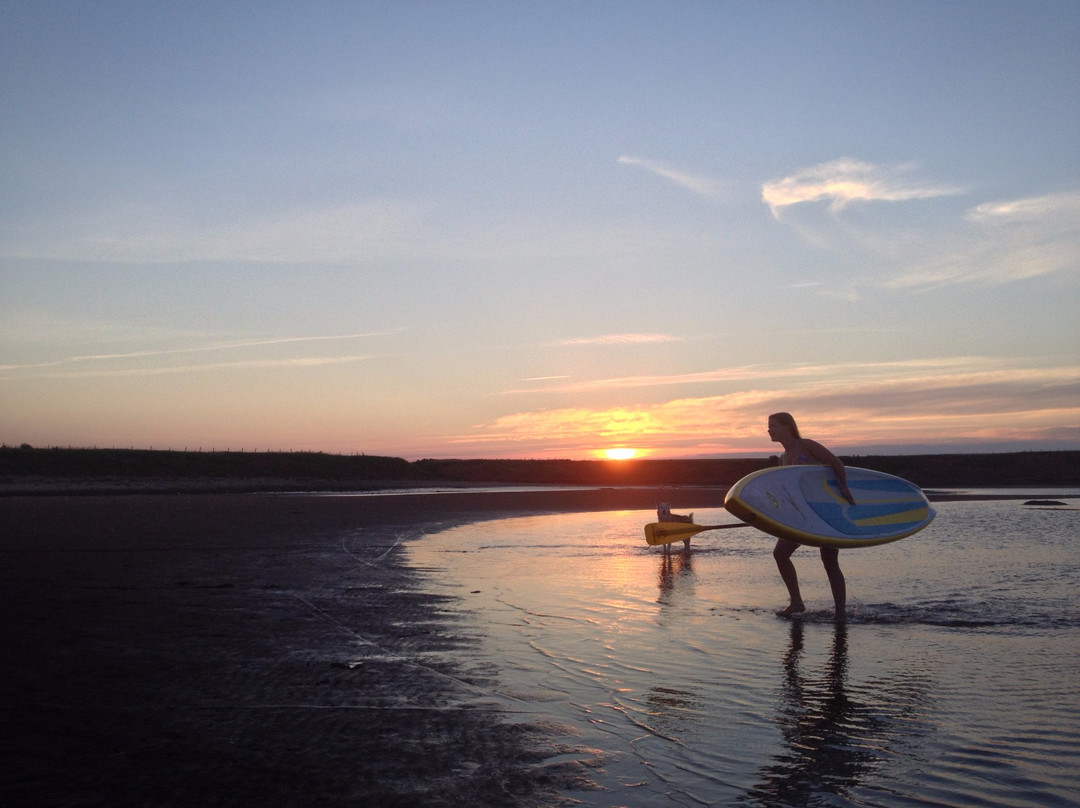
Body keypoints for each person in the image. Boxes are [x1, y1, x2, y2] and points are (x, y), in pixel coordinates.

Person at [766, 412, 855, 619]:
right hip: (803, 515)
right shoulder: (783, 458)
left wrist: (844, 488)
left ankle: (840, 612)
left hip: (826, 511)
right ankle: (796, 602)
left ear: (788, 426)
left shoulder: (807, 446)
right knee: (780, 554)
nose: (769, 429)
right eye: (769, 426)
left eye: (773, 425)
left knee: (829, 560)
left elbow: (836, 463)